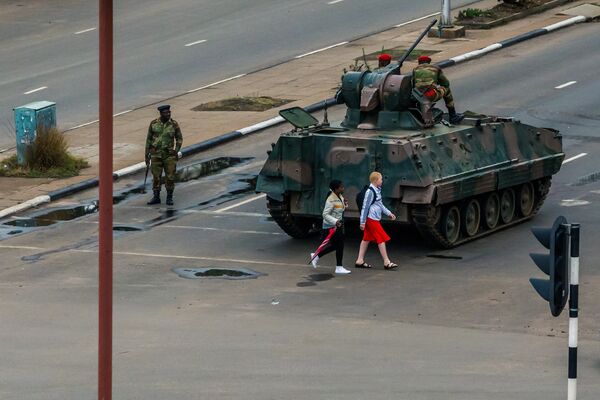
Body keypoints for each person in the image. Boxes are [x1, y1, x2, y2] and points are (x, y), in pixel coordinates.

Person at [354, 172, 398, 270]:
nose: (382, 181)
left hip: (372, 218)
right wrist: (362, 222)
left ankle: (359, 260)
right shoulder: (370, 192)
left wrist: (389, 213)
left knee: (366, 239)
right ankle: (386, 262)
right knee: (381, 238)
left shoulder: (377, 190)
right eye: (380, 179)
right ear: (375, 181)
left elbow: (380, 205)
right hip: (371, 219)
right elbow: (365, 207)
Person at [310, 180, 351, 275]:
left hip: (337, 225)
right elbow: (325, 214)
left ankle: (317, 256)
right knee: (339, 245)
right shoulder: (331, 199)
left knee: (337, 245)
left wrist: (345, 204)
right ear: (336, 189)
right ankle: (338, 267)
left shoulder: (339, 196)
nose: (343, 188)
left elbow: (340, 209)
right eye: (341, 187)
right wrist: (335, 221)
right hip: (331, 226)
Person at [145, 105, 183, 206]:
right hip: (156, 154)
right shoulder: (153, 124)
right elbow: (148, 140)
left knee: (170, 177)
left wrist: (176, 150)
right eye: (166, 113)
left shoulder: (174, 124)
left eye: (169, 112)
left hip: (169, 156)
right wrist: (146, 155)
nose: (168, 114)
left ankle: (169, 197)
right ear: (161, 113)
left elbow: (179, 138)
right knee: (156, 177)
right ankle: (156, 196)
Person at [412, 55, 464, 124]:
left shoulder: (415, 69)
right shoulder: (435, 68)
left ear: (419, 62)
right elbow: (446, 83)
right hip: (430, 94)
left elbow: (412, 84)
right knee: (446, 90)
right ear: (429, 62)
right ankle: (453, 116)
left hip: (418, 96)